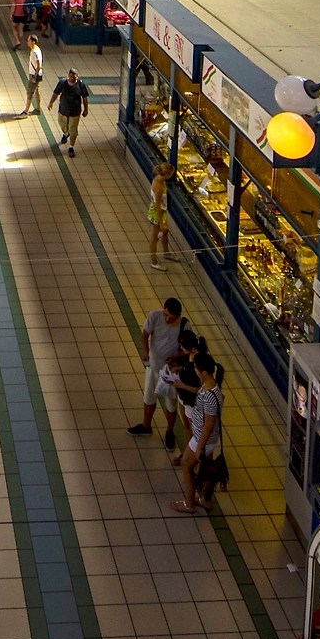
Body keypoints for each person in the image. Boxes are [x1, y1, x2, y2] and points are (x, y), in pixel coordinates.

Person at [173, 355, 225, 515]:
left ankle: (189, 503)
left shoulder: (209, 395)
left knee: (186, 466)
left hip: (202, 439)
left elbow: (208, 425)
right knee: (206, 470)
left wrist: (199, 447)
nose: (195, 371)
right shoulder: (212, 387)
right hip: (208, 438)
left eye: (196, 369)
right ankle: (206, 500)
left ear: (203, 371)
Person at [128, 296, 184, 435]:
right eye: (165, 315)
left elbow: (186, 349)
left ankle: (170, 431)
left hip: (170, 370)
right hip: (153, 365)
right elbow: (145, 335)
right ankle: (146, 425)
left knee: (170, 403)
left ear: (178, 316)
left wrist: (175, 357)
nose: (167, 319)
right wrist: (145, 352)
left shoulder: (184, 326)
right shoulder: (154, 316)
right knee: (149, 396)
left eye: (171, 317)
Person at [51, 67, 90, 155]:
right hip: (63, 110)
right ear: (68, 76)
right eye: (71, 76)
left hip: (75, 112)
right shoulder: (62, 83)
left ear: (77, 76)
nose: (72, 78)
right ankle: (66, 133)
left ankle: (71, 147)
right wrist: (51, 103)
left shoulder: (81, 85)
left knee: (73, 130)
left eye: (74, 77)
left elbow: (85, 98)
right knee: (62, 124)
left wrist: (86, 109)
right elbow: (56, 93)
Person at [146, 162, 173, 268]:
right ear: (167, 174)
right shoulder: (158, 186)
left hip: (162, 211)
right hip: (157, 214)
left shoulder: (161, 181)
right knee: (154, 238)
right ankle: (154, 261)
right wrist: (161, 223)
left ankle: (166, 253)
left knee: (165, 233)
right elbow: (157, 206)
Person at [21, 36, 46, 121]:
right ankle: (38, 109)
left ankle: (26, 111)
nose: (27, 42)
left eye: (29, 40)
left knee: (29, 92)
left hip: (34, 75)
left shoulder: (35, 52)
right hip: (35, 74)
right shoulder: (35, 49)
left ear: (33, 42)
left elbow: (39, 66)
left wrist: (34, 77)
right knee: (37, 91)